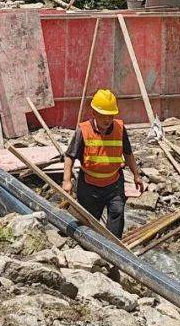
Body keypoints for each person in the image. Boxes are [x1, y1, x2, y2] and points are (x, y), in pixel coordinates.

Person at [61, 89, 144, 238]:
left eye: (110, 116)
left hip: (114, 183)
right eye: (103, 116)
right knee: (90, 221)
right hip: (89, 186)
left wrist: (136, 175)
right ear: (94, 113)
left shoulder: (119, 128)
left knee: (117, 214)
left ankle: (114, 249)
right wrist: (66, 181)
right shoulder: (83, 131)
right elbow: (69, 156)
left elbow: (128, 153)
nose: (107, 120)